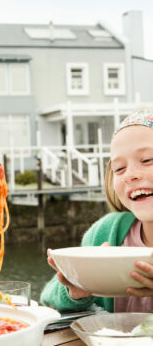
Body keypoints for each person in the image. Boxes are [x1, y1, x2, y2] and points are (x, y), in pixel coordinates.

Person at [41, 108, 153, 313]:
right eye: (119, 168)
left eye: (147, 160)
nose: (130, 175)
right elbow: (48, 297)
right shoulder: (107, 232)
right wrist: (77, 289)